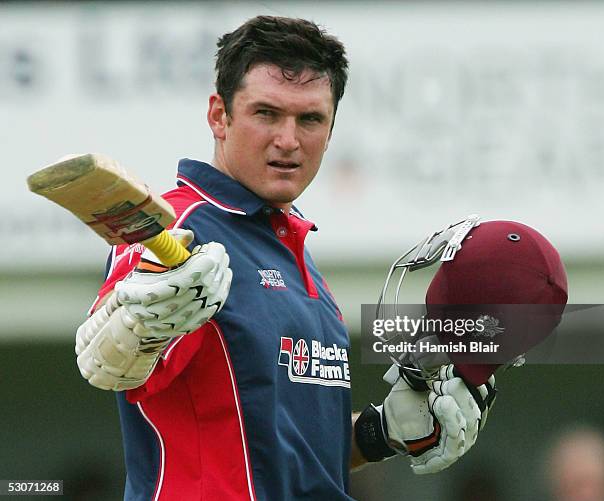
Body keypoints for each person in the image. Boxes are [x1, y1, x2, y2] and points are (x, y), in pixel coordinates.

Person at [74, 16, 491, 500]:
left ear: (331, 129)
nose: (289, 140)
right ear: (218, 116)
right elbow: (109, 361)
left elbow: (286, 454)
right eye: (267, 114)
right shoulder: (179, 228)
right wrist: (139, 321)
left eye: (310, 119)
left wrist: (381, 432)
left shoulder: (296, 255)